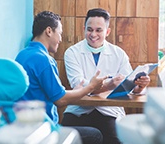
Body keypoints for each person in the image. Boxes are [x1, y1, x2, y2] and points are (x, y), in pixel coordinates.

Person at [15, 11, 108, 144]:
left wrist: (82, 89)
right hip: (44, 129)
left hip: (25, 125)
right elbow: (60, 100)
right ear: (49, 31)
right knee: (95, 135)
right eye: (59, 33)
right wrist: (91, 87)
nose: (60, 39)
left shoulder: (23, 54)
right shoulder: (43, 60)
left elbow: (56, 94)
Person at [61, 8, 150, 144]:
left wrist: (139, 86)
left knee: (115, 139)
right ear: (84, 29)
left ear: (107, 32)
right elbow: (78, 86)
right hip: (78, 111)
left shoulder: (119, 54)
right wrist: (108, 85)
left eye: (99, 30)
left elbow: (129, 87)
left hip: (109, 112)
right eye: (89, 29)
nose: (93, 34)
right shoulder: (72, 53)